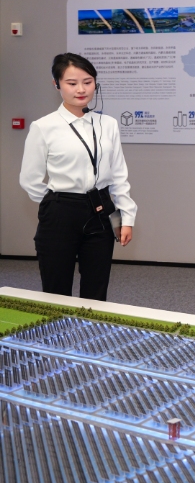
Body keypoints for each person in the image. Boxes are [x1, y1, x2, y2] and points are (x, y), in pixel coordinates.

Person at [19, 53, 136, 300]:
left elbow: (118, 175)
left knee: (97, 287)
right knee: (56, 288)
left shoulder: (108, 124)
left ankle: (91, 326)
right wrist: (55, 202)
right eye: (72, 83)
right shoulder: (44, 126)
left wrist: (127, 216)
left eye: (88, 82)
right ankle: (57, 328)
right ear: (57, 84)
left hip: (101, 209)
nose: (81, 89)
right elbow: (29, 179)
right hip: (60, 212)